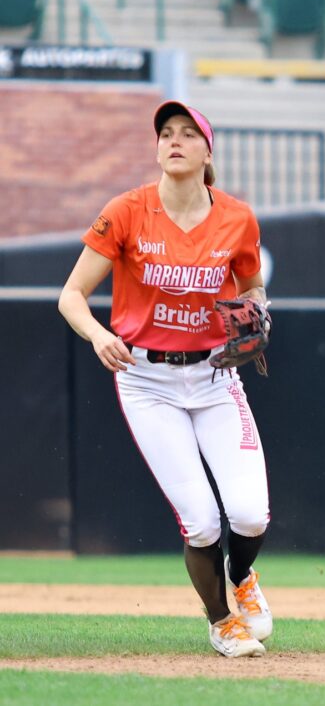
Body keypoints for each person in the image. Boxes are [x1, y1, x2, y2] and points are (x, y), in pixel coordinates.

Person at [57, 101, 273, 658]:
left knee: (249, 514)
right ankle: (222, 620)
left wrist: (256, 312)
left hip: (214, 375)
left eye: (187, 133)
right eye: (165, 133)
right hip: (147, 380)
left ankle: (241, 574)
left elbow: (253, 289)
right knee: (200, 521)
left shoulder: (237, 217)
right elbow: (71, 295)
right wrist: (99, 334)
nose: (173, 140)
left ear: (207, 150)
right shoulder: (127, 210)